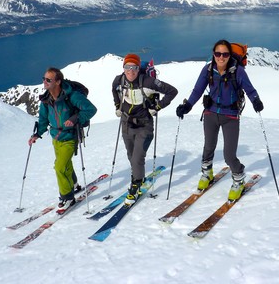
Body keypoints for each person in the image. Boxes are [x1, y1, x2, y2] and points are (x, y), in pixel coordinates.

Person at [175, 39, 264, 201]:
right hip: (210, 113)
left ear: (230, 55)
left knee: (229, 155)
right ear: (213, 54)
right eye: (218, 54)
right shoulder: (208, 69)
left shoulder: (238, 71)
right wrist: (187, 106)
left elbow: (250, 90)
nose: (221, 57)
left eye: (225, 54)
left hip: (230, 115)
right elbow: (197, 90)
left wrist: (256, 101)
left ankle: (238, 178)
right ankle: (206, 173)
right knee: (208, 147)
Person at [28, 67, 97, 212]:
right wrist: (36, 135)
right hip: (56, 137)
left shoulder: (72, 96)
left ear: (58, 82)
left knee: (59, 167)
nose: (44, 82)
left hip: (70, 137)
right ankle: (74, 184)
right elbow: (43, 120)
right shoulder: (46, 99)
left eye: (48, 79)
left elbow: (91, 109)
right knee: (66, 164)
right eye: (44, 78)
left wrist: (75, 119)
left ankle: (67, 197)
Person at [112, 54, 178, 205]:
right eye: (127, 67)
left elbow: (172, 91)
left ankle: (136, 185)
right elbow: (114, 90)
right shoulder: (119, 80)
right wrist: (118, 106)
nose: (130, 71)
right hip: (126, 124)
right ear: (123, 68)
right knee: (131, 155)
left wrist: (157, 107)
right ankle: (136, 174)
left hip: (144, 125)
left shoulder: (148, 81)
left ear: (138, 68)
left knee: (137, 158)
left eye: (134, 67)